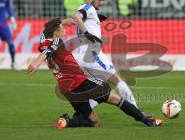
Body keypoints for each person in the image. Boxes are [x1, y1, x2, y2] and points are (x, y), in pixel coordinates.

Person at [27, 18, 163, 128]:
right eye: (62, 29)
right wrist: (36, 63)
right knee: (116, 98)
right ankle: (147, 121)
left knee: (95, 122)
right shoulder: (56, 41)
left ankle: (67, 122)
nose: (64, 31)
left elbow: (47, 38)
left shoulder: (44, 42)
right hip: (79, 82)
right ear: (56, 32)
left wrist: (63, 22)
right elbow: (48, 52)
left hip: (67, 89)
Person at [74, 0, 149, 115]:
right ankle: (138, 112)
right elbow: (76, 16)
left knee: (101, 90)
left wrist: (96, 19)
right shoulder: (88, 8)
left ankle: (80, 114)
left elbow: (78, 18)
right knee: (118, 80)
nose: (101, 3)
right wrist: (87, 33)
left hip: (84, 55)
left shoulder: (88, 10)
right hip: (92, 54)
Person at [0, 0, 18, 70]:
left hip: (3, 24)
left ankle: (13, 62)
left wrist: (12, 19)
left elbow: (8, 7)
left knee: (11, 43)